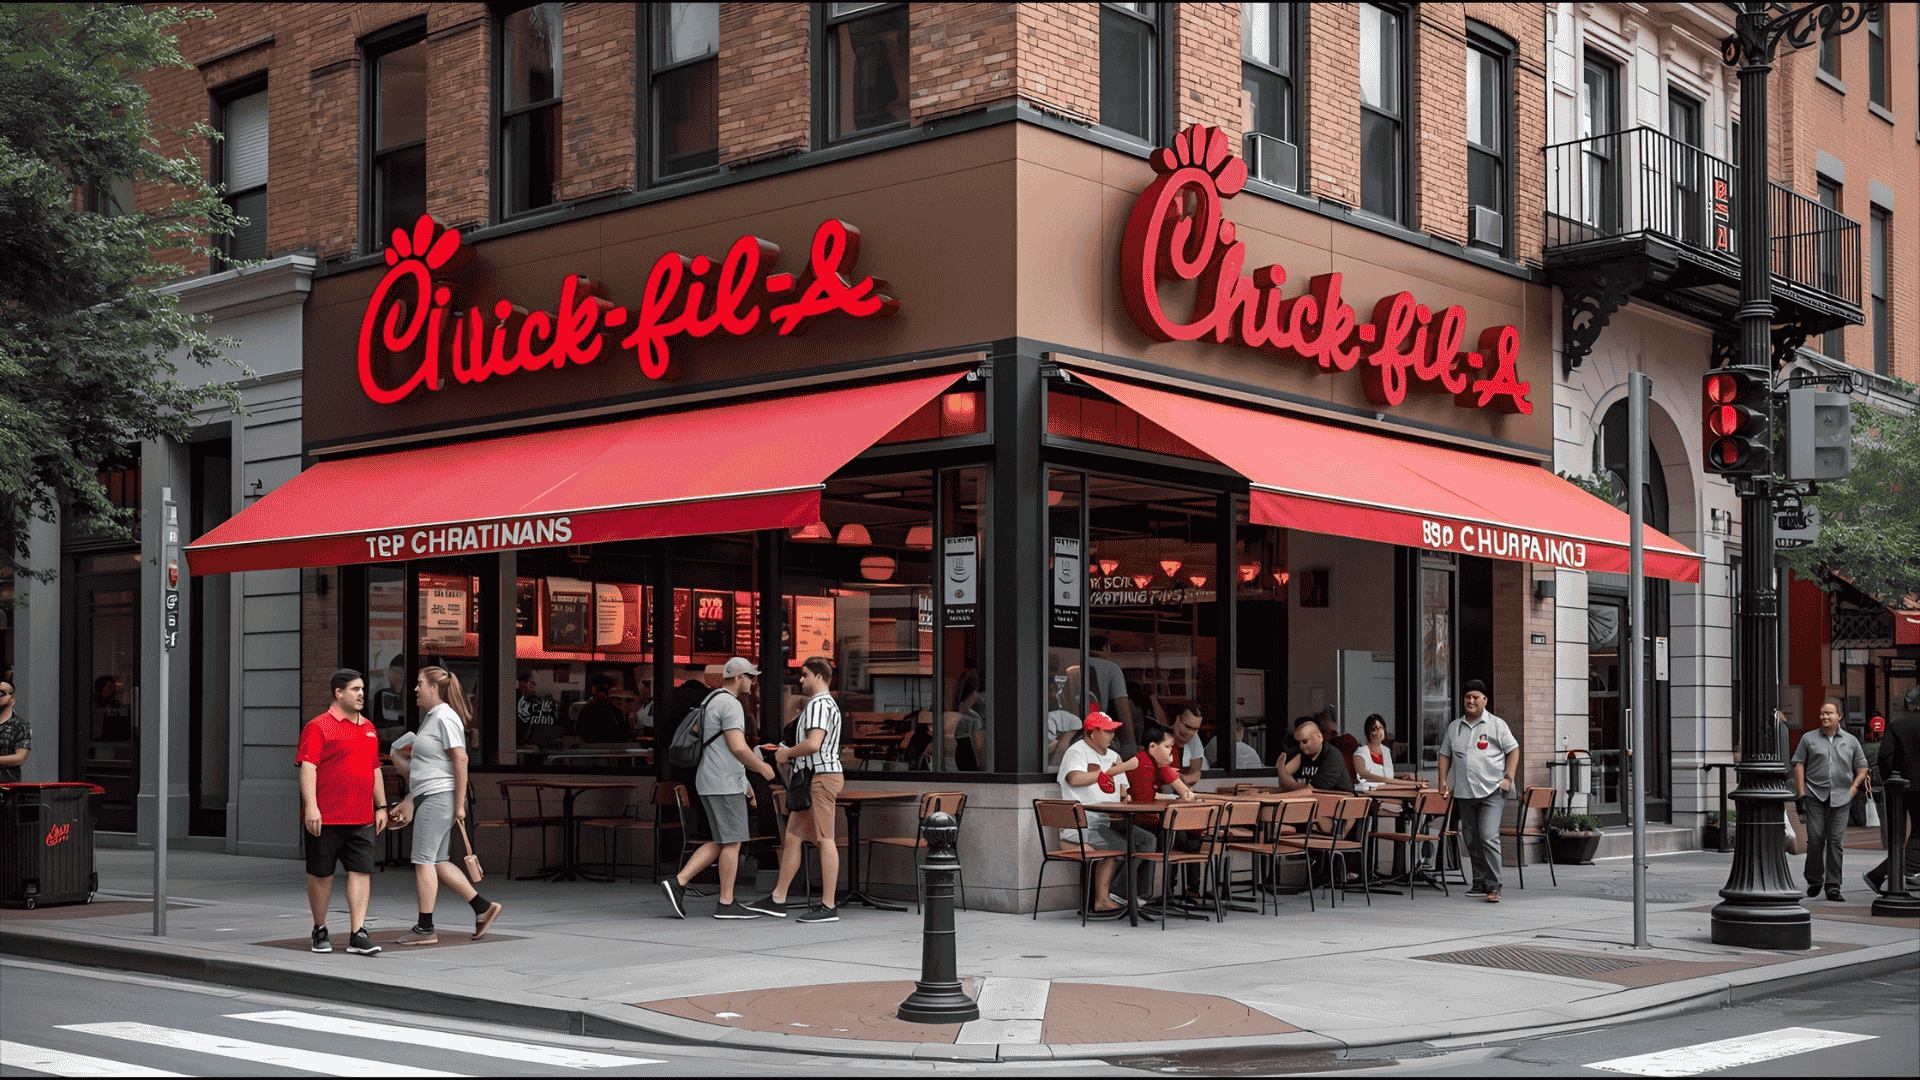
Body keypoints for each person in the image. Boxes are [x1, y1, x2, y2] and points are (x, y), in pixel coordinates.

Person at [388, 667, 502, 945]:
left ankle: (425, 929)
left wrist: (459, 805)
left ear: (434, 688)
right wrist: (397, 759)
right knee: (437, 862)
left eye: (418, 684)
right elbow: (423, 768)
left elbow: (460, 759)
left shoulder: (446, 717)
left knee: (422, 861)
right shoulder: (431, 719)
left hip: (440, 797)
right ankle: (483, 908)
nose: (414, 689)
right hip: (432, 795)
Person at [662, 657, 778, 920]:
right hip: (723, 783)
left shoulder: (711, 699)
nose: (753, 682)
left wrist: (745, 783)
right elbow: (737, 747)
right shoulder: (731, 704)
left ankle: (678, 883)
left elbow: (721, 749)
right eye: (750, 677)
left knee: (722, 840)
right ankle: (725, 902)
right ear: (737, 677)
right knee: (733, 841)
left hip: (712, 779)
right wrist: (762, 768)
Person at [296, 669, 390, 956]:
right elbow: (308, 767)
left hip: (361, 816)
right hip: (326, 817)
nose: (361, 694)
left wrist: (382, 805)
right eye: (354, 689)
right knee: (321, 875)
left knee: (361, 872)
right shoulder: (318, 726)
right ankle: (320, 929)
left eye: (362, 689)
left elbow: (375, 768)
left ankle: (357, 933)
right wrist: (311, 806)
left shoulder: (369, 728)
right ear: (338, 693)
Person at [746, 657, 847, 924]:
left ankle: (828, 906)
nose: (800, 680)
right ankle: (778, 897)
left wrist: (785, 753)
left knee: (825, 838)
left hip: (819, 777)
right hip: (816, 776)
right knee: (792, 836)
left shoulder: (817, 705)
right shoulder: (826, 704)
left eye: (804, 675)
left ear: (818, 676)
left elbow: (813, 744)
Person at [1055, 709, 1156, 912]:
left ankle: (1131, 893)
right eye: (1108, 731)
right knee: (1125, 846)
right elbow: (1073, 779)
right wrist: (1112, 771)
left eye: (1113, 731)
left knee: (1149, 840)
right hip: (1082, 825)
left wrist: (1124, 798)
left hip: (1106, 823)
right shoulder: (1077, 751)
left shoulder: (1114, 756)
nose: (1112, 735)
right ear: (1093, 733)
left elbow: (1122, 792)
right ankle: (1110, 897)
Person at [1437, 681, 1518, 904]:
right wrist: (1442, 781)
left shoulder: (1496, 725)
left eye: (1475, 697)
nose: (1470, 701)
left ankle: (1494, 886)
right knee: (1471, 839)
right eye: (1467, 697)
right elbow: (1444, 754)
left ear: (1484, 700)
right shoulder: (1455, 727)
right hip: (1464, 792)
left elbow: (1513, 750)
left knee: (1488, 836)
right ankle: (1480, 882)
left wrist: (1508, 779)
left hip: (1492, 790)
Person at [1791, 696, 1871, 902]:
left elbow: (1862, 767)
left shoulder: (1851, 741)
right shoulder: (1809, 739)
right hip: (1814, 795)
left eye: (1829, 713)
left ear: (1839, 716)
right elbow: (1798, 765)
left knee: (1836, 842)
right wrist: (1801, 794)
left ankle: (1833, 886)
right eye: (1822, 713)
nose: (1824, 716)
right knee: (1816, 839)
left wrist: (1853, 789)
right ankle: (1815, 879)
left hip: (1843, 798)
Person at [1864, 686, 1920, 896]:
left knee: (1897, 835)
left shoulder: (1897, 724)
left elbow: (1884, 756)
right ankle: (1890, 872)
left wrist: (1892, 780)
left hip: (1899, 788)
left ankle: (1893, 874)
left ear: (1910, 704)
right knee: (1918, 833)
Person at [1277, 716, 1355, 795]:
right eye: (1299, 742)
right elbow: (1285, 782)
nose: (1301, 746)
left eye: (1305, 741)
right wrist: (1283, 773)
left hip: (1340, 801)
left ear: (1319, 737)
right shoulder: (1301, 754)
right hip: (1315, 801)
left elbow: (1314, 790)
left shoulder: (1333, 755)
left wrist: (1288, 785)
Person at [575, 674, 630, 743]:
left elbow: (579, 732)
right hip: (608, 748)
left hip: (594, 748)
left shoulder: (588, 709)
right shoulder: (613, 710)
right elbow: (622, 732)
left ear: (594, 689)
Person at [1351, 714, 1398, 791]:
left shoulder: (1386, 751)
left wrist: (1402, 775)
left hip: (1388, 790)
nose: (1379, 732)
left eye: (1381, 728)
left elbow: (1387, 775)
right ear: (1368, 732)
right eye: (1374, 729)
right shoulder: (1360, 752)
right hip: (1369, 793)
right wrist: (1388, 781)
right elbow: (1363, 774)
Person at [0, 678, 31, 783]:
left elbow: (20, 757)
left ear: (12, 698)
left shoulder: (21, 726)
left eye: (2, 693)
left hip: (8, 784)